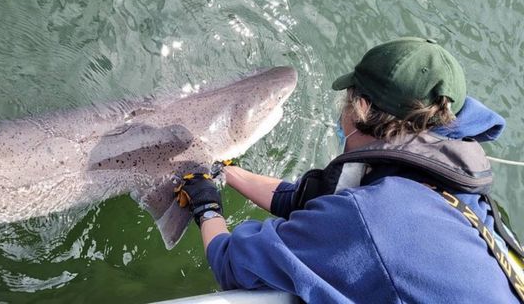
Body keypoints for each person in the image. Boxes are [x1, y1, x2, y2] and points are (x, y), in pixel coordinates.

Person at [179, 37, 524, 303]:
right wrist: (227, 172)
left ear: (359, 108)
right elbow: (309, 201)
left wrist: (206, 204)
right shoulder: (453, 189)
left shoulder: (368, 219)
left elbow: (232, 263)